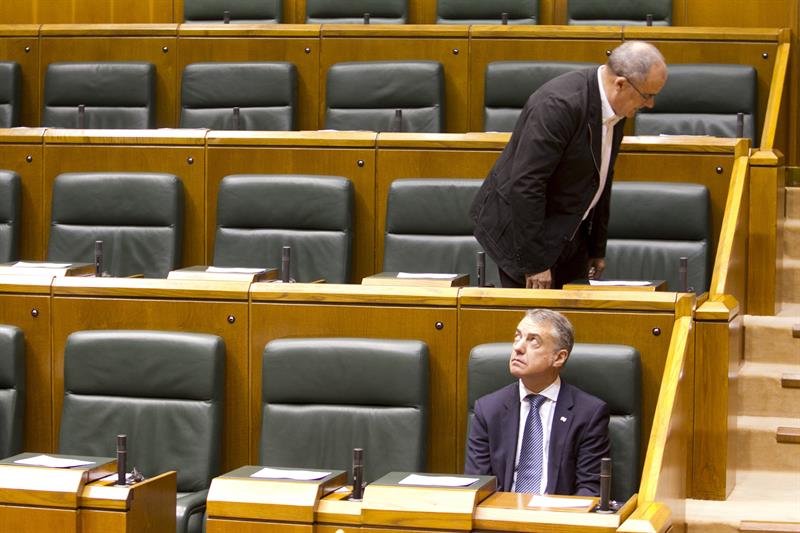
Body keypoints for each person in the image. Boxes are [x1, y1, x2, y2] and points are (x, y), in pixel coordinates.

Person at [471, 41, 668, 289]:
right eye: (648, 95)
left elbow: (602, 176)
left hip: (567, 230)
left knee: (573, 320)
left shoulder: (616, 107)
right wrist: (535, 264)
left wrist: (596, 247)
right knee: (535, 324)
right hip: (523, 234)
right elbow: (526, 185)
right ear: (621, 84)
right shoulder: (558, 105)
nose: (650, 104)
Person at [464, 309, 609, 495]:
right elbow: (478, 484)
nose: (518, 347)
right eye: (518, 336)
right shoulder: (488, 409)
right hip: (500, 517)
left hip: (558, 518)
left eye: (533, 340)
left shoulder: (588, 414)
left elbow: (590, 489)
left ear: (559, 357)